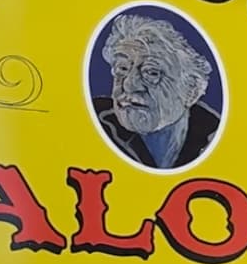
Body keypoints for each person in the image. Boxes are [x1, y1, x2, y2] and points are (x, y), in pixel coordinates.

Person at [94, 12, 220, 169]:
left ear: (192, 91)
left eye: (152, 72)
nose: (129, 84)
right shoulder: (90, 122)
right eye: (123, 68)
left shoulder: (219, 140)